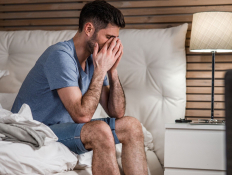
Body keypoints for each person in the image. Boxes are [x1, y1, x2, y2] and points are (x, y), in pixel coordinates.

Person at [11, 1, 148, 174]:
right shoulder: (60, 55)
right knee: (100, 131)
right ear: (89, 29)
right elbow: (81, 115)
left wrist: (112, 71)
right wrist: (100, 71)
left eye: (116, 40)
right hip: (37, 130)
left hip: (63, 128)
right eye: (108, 38)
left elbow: (117, 112)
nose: (111, 46)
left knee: (132, 126)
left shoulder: (94, 60)